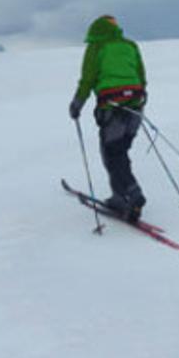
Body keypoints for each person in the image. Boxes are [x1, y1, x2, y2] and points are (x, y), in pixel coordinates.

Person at [69, 15, 147, 220]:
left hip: (112, 107)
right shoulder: (130, 45)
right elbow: (141, 76)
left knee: (111, 153)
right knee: (120, 152)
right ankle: (122, 196)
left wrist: (77, 104)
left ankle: (131, 194)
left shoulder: (96, 48)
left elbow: (87, 79)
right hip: (136, 106)